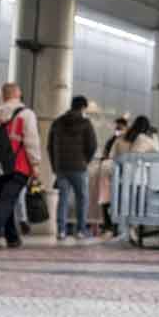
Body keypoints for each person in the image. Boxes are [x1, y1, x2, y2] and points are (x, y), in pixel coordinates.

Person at [0, 83, 48, 249]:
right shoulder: (26, 114)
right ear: (18, 94)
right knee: (8, 199)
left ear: (3, 96)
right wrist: (36, 164)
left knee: (4, 200)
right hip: (19, 164)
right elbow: (31, 140)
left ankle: (12, 238)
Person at [48, 94, 99, 242]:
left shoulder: (57, 122)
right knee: (82, 198)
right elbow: (92, 146)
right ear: (83, 107)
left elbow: (50, 146)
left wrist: (55, 165)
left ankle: (61, 231)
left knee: (63, 198)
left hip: (61, 167)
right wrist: (85, 161)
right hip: (78, 166)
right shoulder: (85, 123)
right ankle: (81, 230)